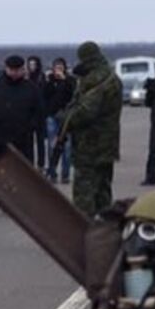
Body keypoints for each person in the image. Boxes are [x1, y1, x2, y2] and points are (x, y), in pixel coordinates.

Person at [56, 41, 122, 216]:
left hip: (90, 146)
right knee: (103, 193)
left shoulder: (95, 81)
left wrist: (64, 118)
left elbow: (85, 113)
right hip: (107, 145)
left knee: (84, 195)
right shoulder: (111, 77)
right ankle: (105, 233)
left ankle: (85, 235)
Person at [43, 57, 75, 183]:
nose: (58, 70)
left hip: (66, 116)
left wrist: (64, 81)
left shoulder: (70, 81)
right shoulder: (50, 81)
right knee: (52, 145)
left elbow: (72, 94)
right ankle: (52, 172)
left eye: (61, 68)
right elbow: (44, 95)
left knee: (66, 147)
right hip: (52, 115)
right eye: (56, 68)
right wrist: (49, 81)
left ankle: (65, 174)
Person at [26, 55, 47, 171]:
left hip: (40, 113)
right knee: (28, 140)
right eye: (30, 64)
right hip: (28, 113)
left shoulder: (41, 77)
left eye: (33, 64)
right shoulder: (26, 78)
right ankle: (29, 163)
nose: (31, 67)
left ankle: (41, 164)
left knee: (40, 140)